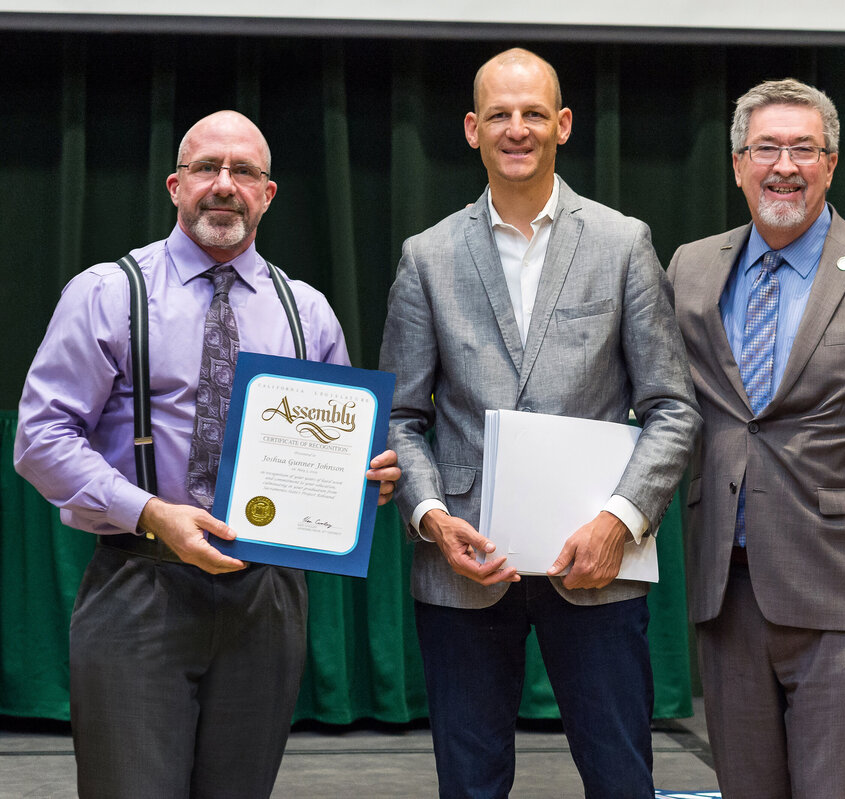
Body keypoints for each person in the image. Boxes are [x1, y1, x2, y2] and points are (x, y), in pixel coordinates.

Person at [14, 110, 400, 798]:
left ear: (268, 194)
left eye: (244, 171)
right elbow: (40, 439)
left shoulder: (305, 311)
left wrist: (368, 476)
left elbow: (346, 453)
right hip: (140, 587)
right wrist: (153, 513)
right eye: (206, 169)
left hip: (267, 596)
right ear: (174, 185)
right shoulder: (109, 292)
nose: (224, 185)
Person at [380, 48, 700, 797]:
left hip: (596, 559)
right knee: (470, 783)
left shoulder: (623, 244)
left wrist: (620, 520)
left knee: (622, 777)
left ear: (562, 124)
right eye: (499, 114)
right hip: (464, 563)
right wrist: (429, 517)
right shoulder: (426, 257)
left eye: (532, 113)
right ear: (471, 129)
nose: (515, 129)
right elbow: (400, 417)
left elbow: (672, 408)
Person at [667, 78, 845, 798]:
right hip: (726, 592)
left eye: (805, 147)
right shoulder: (691, 268)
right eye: (766, 147)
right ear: (737, 163)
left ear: (832, 164)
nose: (785, 165)